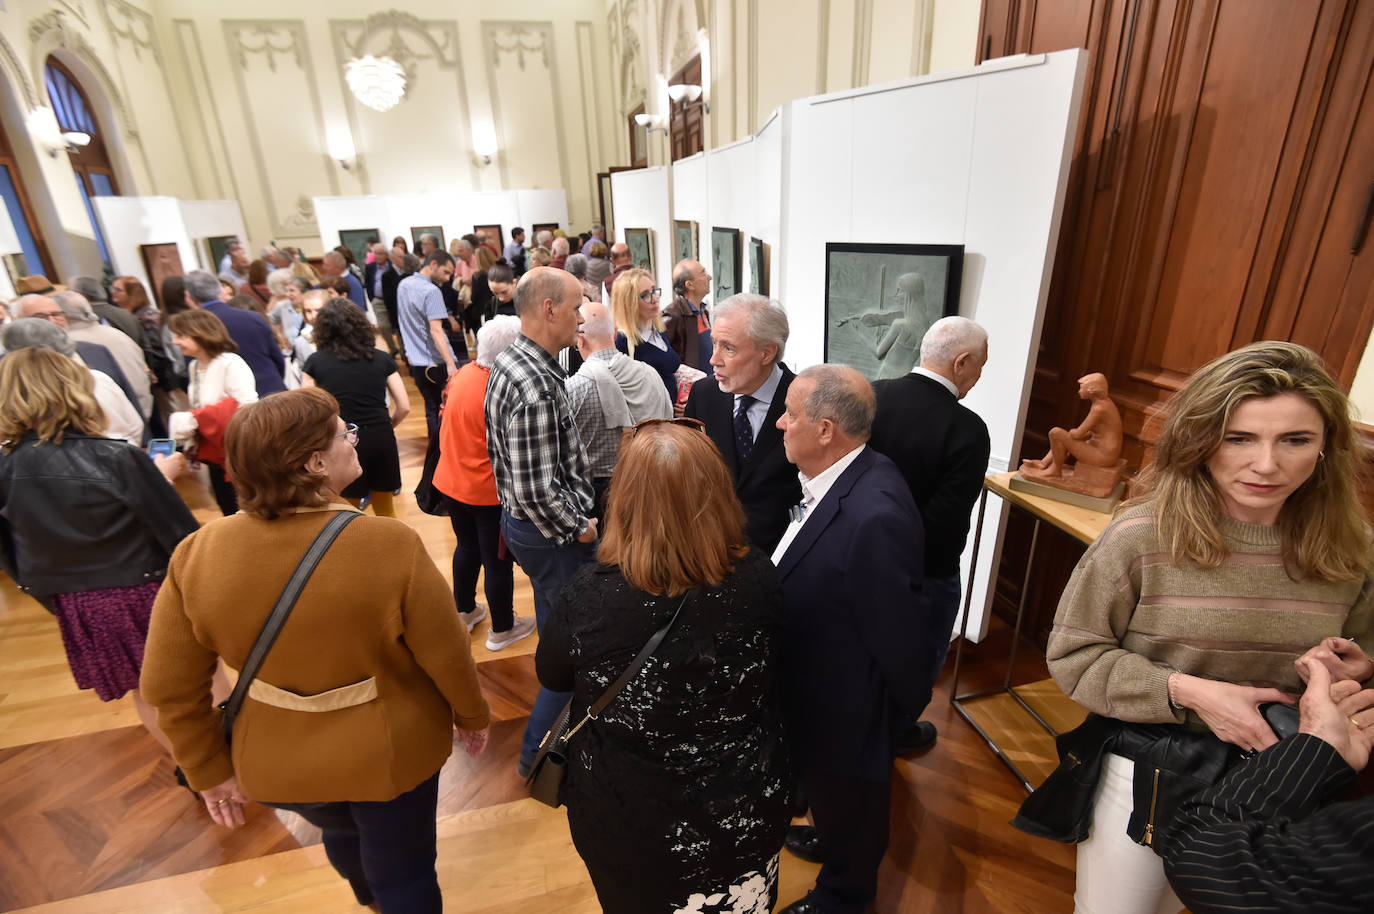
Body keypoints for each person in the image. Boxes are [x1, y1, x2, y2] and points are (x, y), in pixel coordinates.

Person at [1039, 341, 1374, 914]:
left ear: (1326, 447)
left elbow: (1364, 648)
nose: (1266, 464)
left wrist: (1358, 666)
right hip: (1156, 765)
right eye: (1239, 438)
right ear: (1200, 440)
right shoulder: (1141, 537)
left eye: (1295, 440)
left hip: (1285, 771)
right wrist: (1191, 693)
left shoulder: (1354, 546)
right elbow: (1075, 657)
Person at [140, 388, 492, 914]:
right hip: (389, 755)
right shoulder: (388, 544)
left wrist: (206, 770)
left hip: (278, 761)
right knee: (406, 869)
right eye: (343, 433)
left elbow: (167, 688)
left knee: (340, 833)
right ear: (314, 463)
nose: (354, 440)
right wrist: (472, 715)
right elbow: (446, 654)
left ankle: (368, 898)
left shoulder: (197, 554)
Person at [537, 418, 792, 913]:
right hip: (746, 806)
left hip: (630, 822)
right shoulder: (759, 578)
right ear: (718, 495)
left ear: (623, 502)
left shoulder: (590, 597)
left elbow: (552, 675)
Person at [770, 364, 935, 914]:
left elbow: (901, 636)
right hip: (820, 686)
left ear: (825, 431)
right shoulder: (849, 475)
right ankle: (831, 837)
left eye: (790, 414)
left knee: (852, 801)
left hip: (846, 702)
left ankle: (843, 896)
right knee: (833, 797)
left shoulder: (875, 514)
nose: (780, 423)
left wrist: (887, 720)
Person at [0, 348, 198, 757]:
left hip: (79, 602)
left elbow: (11, 554)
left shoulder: (7, 469)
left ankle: (195, 769)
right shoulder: (116, 457)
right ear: (75, 389)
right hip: (148, 589)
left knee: (145, 692)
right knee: (199, 682)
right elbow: (181, 535)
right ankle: (222, 768)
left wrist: (56, 598)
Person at [484, 267, 597, 777]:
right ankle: (538, 755)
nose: (581, 318)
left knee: (557, 634)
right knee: (574, 648)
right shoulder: (536, 386)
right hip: (552, 535)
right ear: (549, 309)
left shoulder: (513, 360)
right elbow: (536, 490)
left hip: (526, 529)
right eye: (575, 307)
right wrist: (580, 527)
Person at [869, 316, 990, 752]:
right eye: (980, 366)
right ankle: (898, 733)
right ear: (961, 362)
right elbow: (947, 521)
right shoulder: (968, 429)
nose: (979, 377)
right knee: (917, 662)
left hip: (861, 559)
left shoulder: (871, 395)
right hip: (926, 573)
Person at [432, 315, 535, 651]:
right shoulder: (502, 389)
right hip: (485, 491)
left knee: (466, 547)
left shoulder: (462, 375)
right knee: (496, 562)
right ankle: (503, 629)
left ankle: (464, 611)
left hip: (451, 481)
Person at [684, 294, 800, 553]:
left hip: (778, 556)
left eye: (728, 348)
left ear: (766, 353)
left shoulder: (804, 402)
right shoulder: (703, 394)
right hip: (711, 552)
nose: (713, 360)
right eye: (714, 343)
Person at [566, 300, 674, 518]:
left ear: (580, 339)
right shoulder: (650, 375)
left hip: (596, 498)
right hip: (651, 487)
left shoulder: (574, 389)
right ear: (615, 333)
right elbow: (669, 424)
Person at [302, 300, 409, 518]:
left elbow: (308, 409)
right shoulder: (382, 358)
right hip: (380, 435)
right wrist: (387, 426)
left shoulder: (315, 362)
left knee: (346, 508)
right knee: (385, 508)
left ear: (323, 329)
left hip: (341, 439)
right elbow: (404, 406)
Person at [168, 309, 259, 515]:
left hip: (235, 453)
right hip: (214, 453)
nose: (174, 341)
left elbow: (247, 407)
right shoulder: (195, 366)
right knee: (226, 505)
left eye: (181, 335)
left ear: (200, 333)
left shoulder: (230, 363)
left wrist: (200, 418)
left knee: (243, 507)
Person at [184, 270, 286, 396]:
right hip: (272, 390)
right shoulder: (253, 317)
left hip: (230, 399)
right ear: (220, 291)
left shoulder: (195, 329)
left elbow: (197, 375)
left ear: (189, 297)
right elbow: (277, 359)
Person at [396, 251, 459, 443]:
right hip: (435, 361)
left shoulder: (403, 285)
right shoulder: (431, 291)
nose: (447, 279)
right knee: (445, 409)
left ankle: (436, 451)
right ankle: (443, 450)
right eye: (446, 272)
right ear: (433, 264)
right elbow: (436, 330)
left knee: (431, 407)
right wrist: (451, 363)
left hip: (416, 361)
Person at [610, 269, 680, 403]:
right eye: (645, 295)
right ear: (629, 303)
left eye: (654, 290)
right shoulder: (622, 341)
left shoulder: (659, 331)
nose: (654, 299)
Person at [665, 258, 714, 370]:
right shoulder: (672, 315)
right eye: (703, 274)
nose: (709, 277)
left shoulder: (703, 311)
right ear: (689, 285)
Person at [467, 244, 498, 329]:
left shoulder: (477, 276)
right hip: (498, 308)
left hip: (483, 311)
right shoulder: (498, 272)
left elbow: (474, 297)